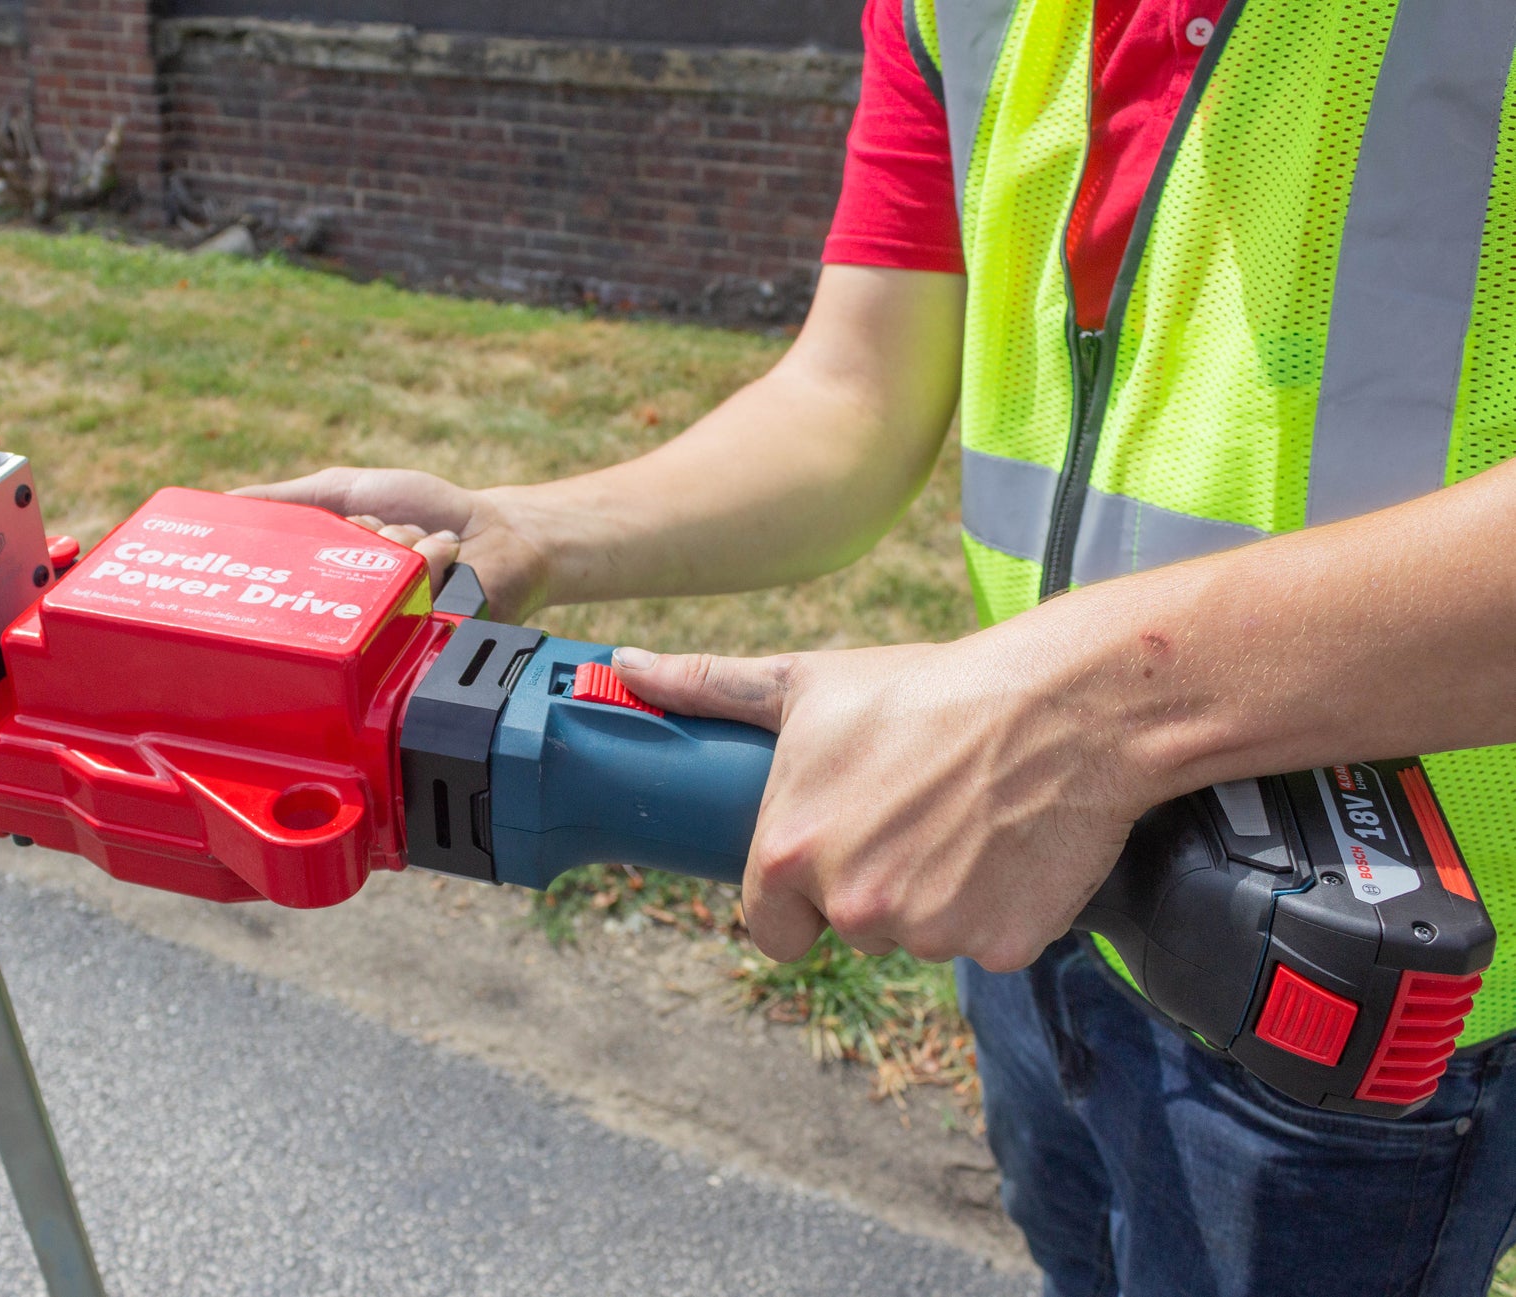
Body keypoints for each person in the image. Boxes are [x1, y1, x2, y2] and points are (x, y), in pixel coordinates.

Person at [239, 0, 1516, 1291]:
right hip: (1032, 899)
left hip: (1348, 975)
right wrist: (529, 529)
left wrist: (1090, 712)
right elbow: (851, 394)